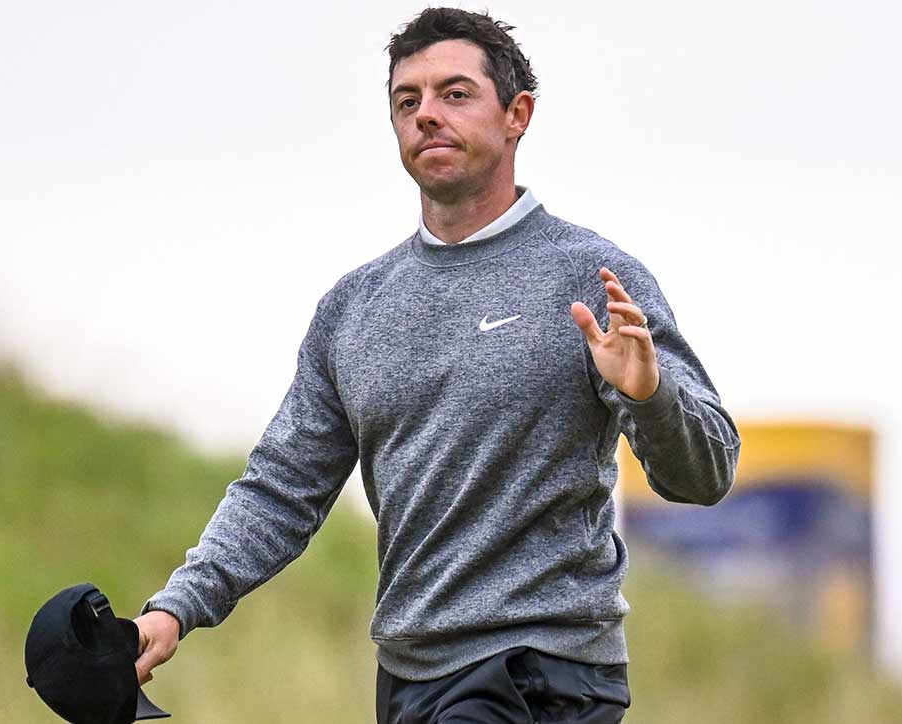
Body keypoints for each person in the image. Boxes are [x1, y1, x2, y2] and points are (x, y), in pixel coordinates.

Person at [132, 8, 739, 723]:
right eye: (406, 100)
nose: (426, 116)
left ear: (517, 115)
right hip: (409, 675)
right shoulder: (353, 307)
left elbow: (707, 472)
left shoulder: (590, 277)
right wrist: (173, 610)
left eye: (454, 94)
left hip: (543, 670)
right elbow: (280, 488)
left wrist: (650, 393)